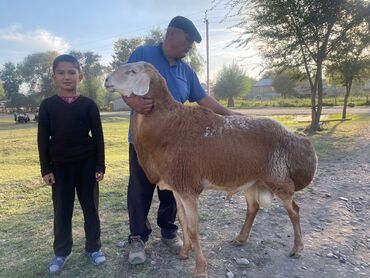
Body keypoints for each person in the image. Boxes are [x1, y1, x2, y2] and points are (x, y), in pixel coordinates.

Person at [123, 16, 240, 265]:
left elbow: (203, 99)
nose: (189, 47)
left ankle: (169, 232)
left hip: (176, 147)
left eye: (191, 44)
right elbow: (125, 85)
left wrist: (230, 115)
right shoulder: (143, 54)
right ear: (172, 34)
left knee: (174, 192)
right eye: (187, 40)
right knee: (139, 190)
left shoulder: (187, 71)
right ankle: (137, 238)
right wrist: (132, 102)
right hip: (145, 144)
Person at [37, 54, 106, 274]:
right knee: (62, 210)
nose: (67, 77)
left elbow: (98, 137)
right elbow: (42, 139)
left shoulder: (89, 105)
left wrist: (100, 166)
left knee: (91, 209)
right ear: (54, 77)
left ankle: (93, 248)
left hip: (86, 165)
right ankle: (61, 252)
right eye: (61, 72)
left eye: (72, 72)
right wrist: (46, 169)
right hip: (59, 168)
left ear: (80, 76)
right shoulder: (47, 106)